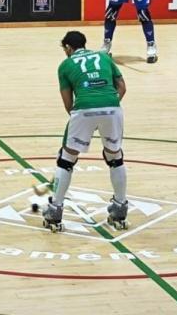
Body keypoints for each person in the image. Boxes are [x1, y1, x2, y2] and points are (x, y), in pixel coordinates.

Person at [42, 30, 129, 233]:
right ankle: (120, 207)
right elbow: (122, 87)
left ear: (68, 48)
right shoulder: (103, 57)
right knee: (115, 156)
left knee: (67, 158)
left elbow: (68, 103)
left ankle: (55, 209)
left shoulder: (65, 65)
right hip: (112, 106)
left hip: (84, 109)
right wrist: (107, 106)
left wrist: (85, 114)